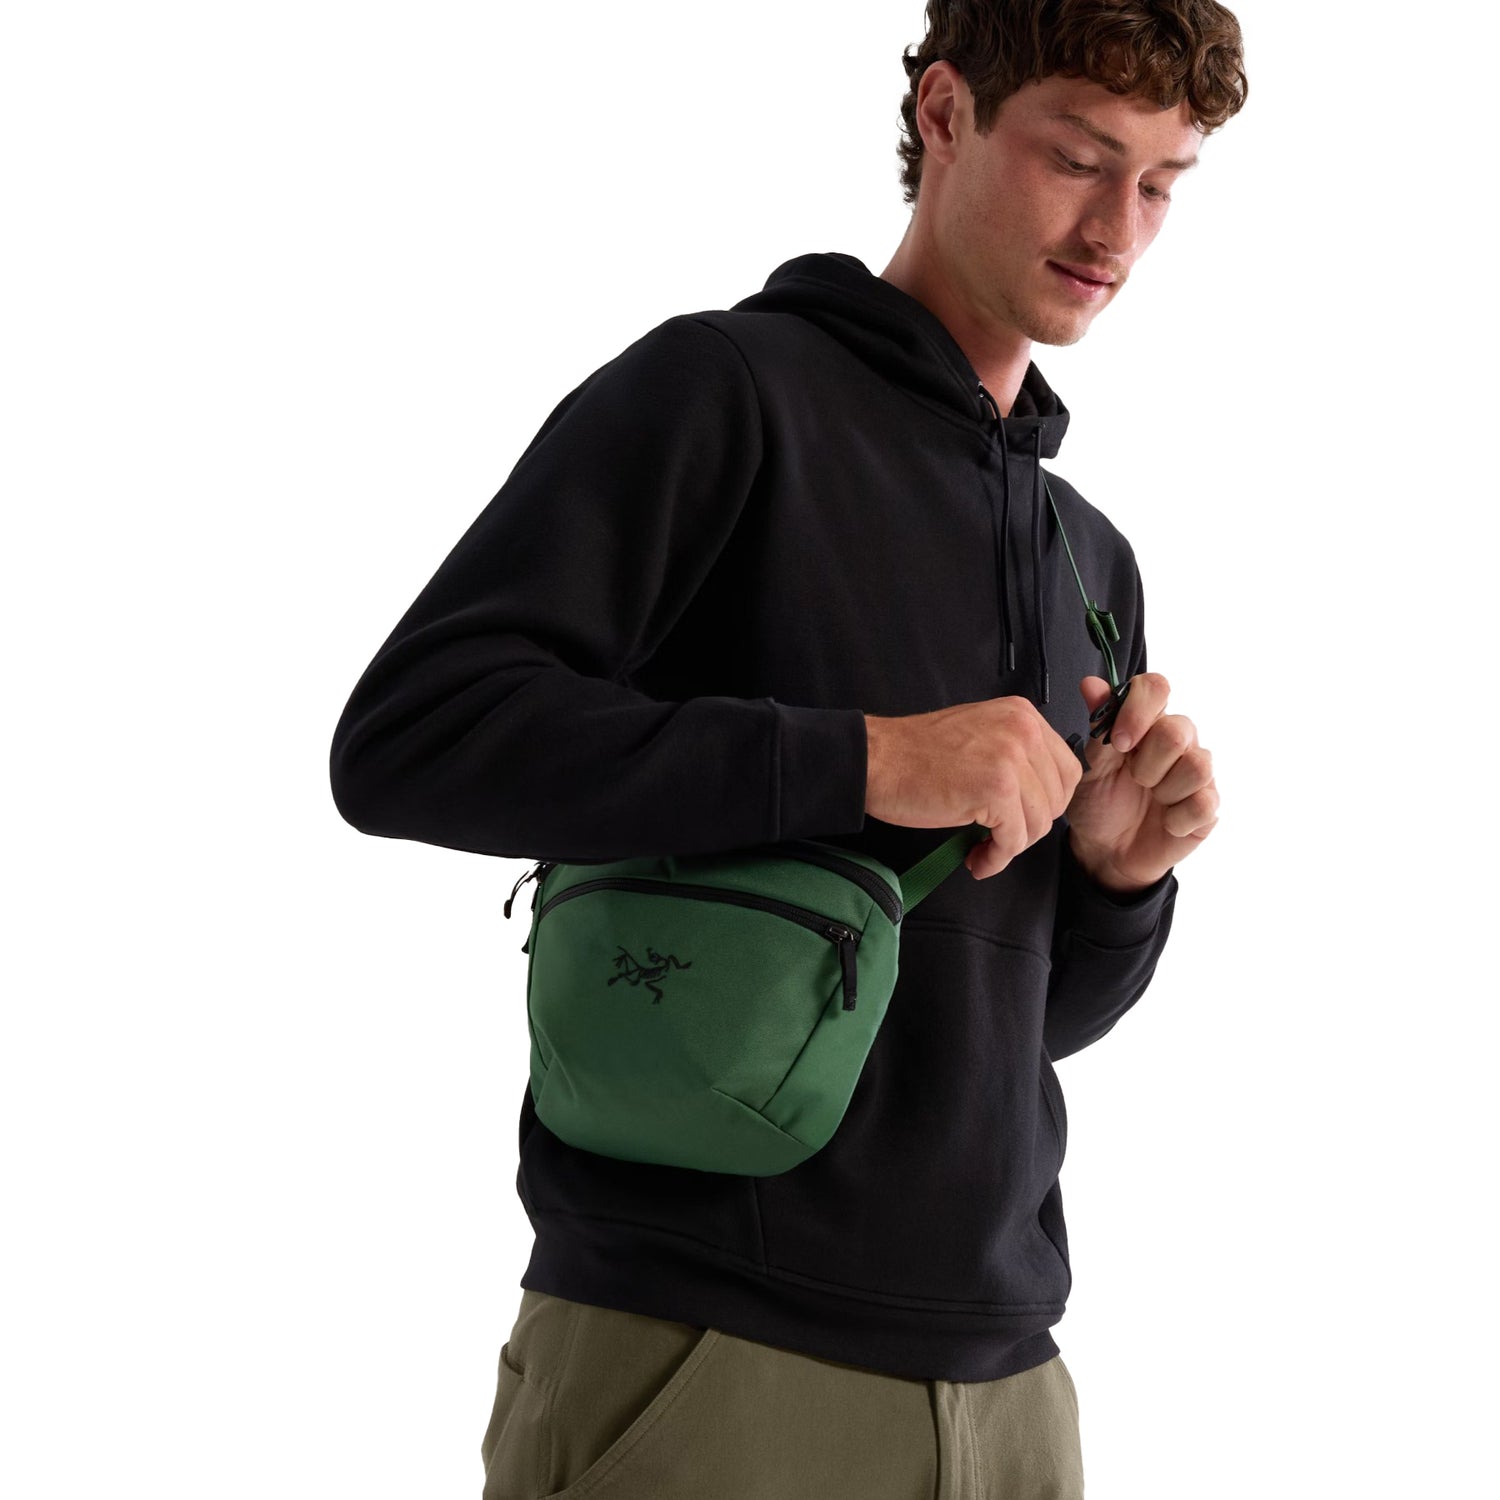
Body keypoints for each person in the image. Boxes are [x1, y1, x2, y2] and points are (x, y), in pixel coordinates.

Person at [329, 1, 1245, 1493]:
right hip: (708, 1358)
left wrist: (1119, 882)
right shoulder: (727, 394)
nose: (1116, 229)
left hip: (1010, 1387)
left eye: (1160, 183)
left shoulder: (1087, 556)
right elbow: (411, 737)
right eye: (1080, 159)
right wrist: (866, 761)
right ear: (944, 113)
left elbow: (1018, 1026)